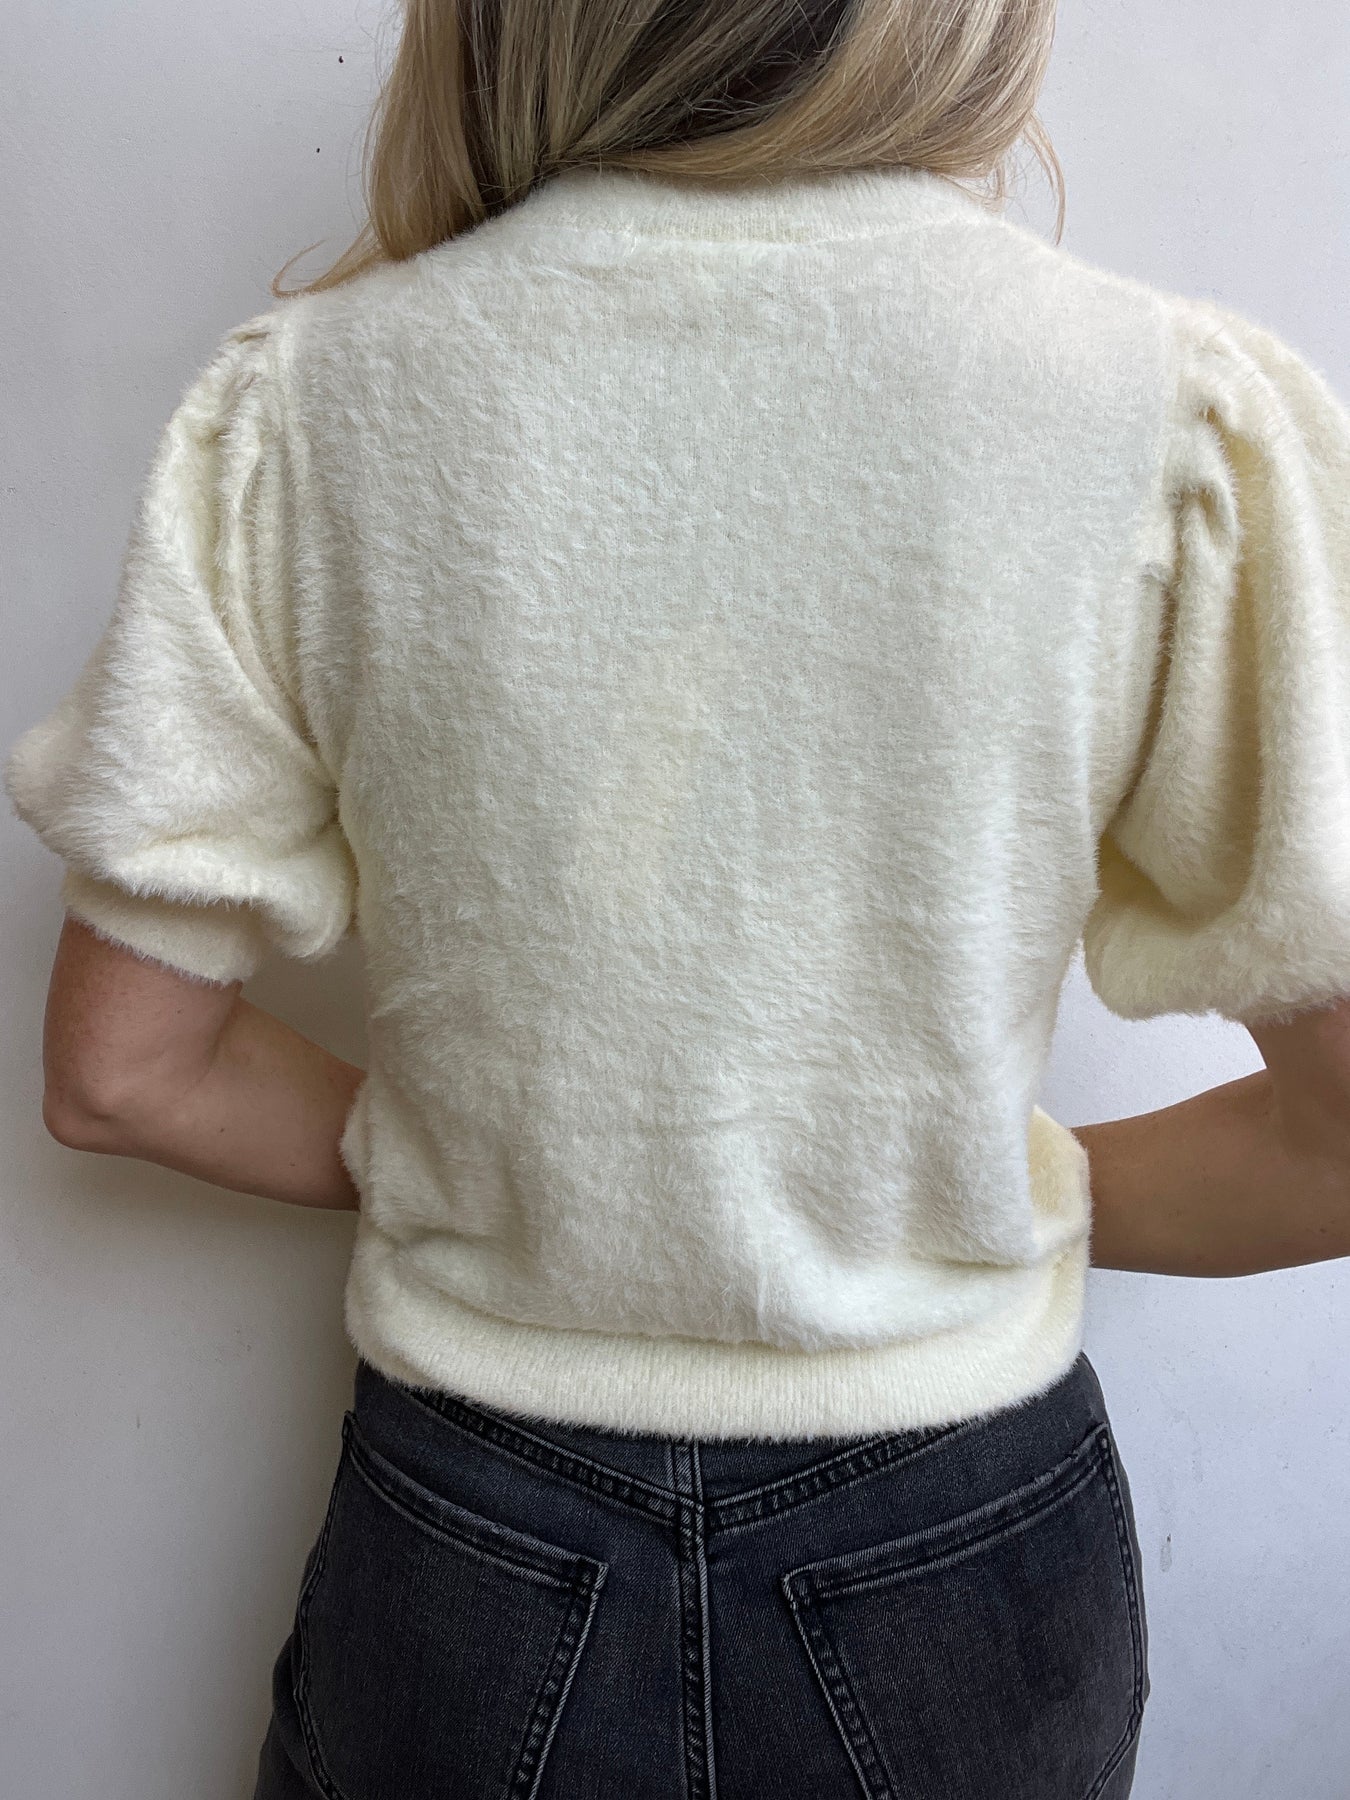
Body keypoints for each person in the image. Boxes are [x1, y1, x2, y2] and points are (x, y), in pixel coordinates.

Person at [7, 1, 1350, 1794]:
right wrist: (945, 1204)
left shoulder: (310, 403)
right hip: (951, 1542)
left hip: (475, 1536)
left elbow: (123, 1072)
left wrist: (504, 1181)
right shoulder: (1165, 413)